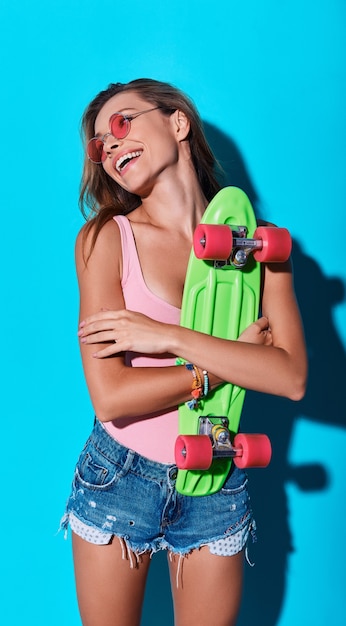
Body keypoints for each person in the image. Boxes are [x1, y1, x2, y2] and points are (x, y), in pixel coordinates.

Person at [60, 78, 307, 626]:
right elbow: (112, 397)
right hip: (120, 476)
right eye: (100, 143)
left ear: (177, 123)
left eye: (123, 122)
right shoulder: (105, 239)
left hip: (218, 477)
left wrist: (167, 336)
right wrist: (223, 367)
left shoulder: (260, 245)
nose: (110, 145)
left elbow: (290, 377)